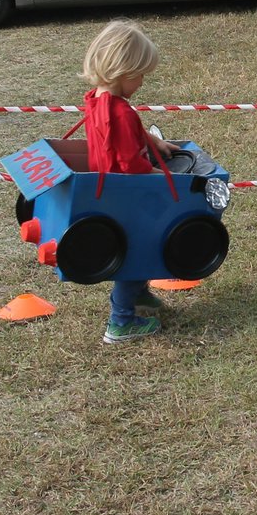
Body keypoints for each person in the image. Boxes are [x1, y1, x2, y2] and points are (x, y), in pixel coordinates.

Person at [80, 19, 180, 344]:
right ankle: (120, 321)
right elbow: (130, 165)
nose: (141, 82)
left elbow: (126, 134)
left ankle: (139, 293)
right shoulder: (121, 112)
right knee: (138, 250)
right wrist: (168, 179)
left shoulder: (98, 100)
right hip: (126, 194)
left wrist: (156, 142)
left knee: (141, 247)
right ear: (120, 71)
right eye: (139, 75)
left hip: (108, 190)